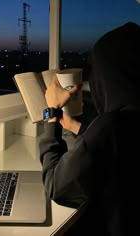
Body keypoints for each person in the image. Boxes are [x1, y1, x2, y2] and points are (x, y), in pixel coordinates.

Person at [39, 22, 140, 236]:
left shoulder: (112, 127)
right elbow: (118, 144)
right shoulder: (125, 123)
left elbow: (55, 186)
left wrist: (51, 110)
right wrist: (75, 126)